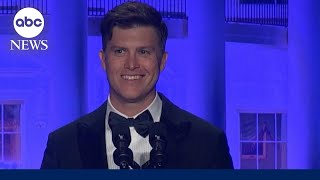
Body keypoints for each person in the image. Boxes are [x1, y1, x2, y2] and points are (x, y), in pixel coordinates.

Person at [41, 1, 233, 169]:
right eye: (120, 51)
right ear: (103, 60)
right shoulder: (63, 145)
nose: (131, 65)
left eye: (143, 52)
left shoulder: (207, 141)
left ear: (162, 61)